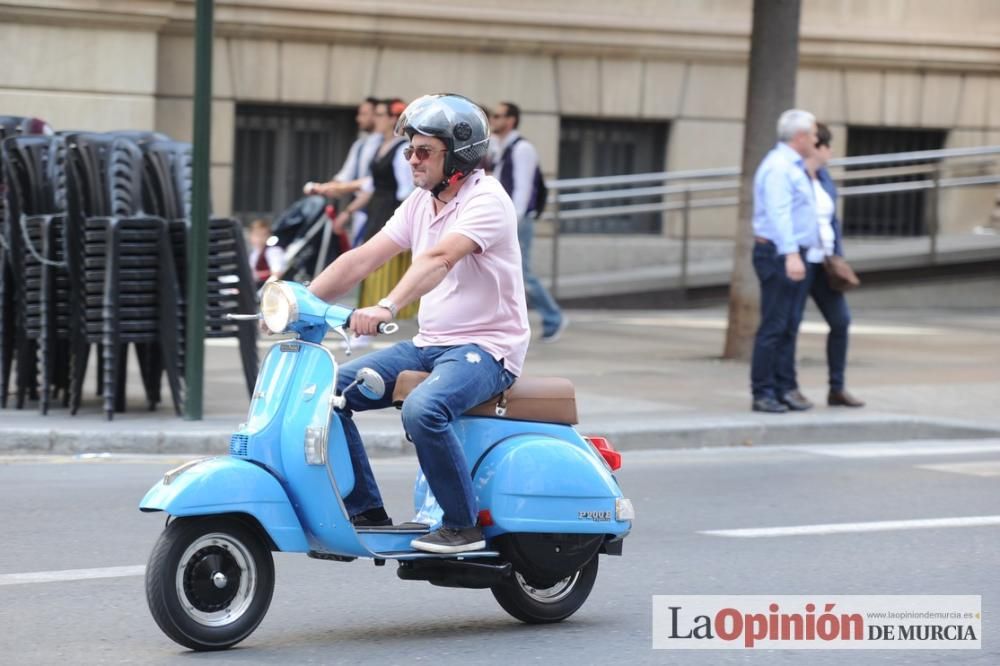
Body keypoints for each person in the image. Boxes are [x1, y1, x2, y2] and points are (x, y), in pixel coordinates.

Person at [306, 93, 529, 554]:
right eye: (409, 150)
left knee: (424, 410)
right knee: (324, 394)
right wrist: (299, 303)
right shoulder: (420, 203)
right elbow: (363, 258)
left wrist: (387, 306)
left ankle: (462, 525)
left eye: (424, 150)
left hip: (487, 350)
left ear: (459, 154)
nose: (411, 159)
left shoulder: (487, 200)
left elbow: (440, 258)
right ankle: (366, 509)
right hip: (430, 344)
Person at [321, 99, 418, 323]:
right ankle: (368, 315)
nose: (377, 119)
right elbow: (371, 186)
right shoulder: (378, 147)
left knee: (382, 265)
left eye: (382, 115)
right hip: (376, 209)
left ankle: (381, 315)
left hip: (391, 210)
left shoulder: (401, 149)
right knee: (368, 263)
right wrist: (349, 211)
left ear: (395, 119)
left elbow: (406, 190)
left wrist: (408, 221)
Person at [749, 109, 819, 414]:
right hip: (779, 253)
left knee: (789, 325)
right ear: (800, 136)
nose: (816, 140)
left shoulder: (793, 166)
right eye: (814, 134)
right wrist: (791, 253)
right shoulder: (779, 167)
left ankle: (784, 387)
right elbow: (779, 213)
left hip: (791, 253)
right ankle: (764, 391)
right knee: (774, 326)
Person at [794, 123, 865, 408]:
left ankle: (837, 387)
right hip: (798, 260)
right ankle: (789, 386)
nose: (832, 151)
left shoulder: (824, 178)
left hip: (824, 264)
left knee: (841, 321)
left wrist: (837, 255)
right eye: (828, 145)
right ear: (816, 147)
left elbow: (832, 220)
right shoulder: (794, 176)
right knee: (790, 324)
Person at [489, 102, 566, 343]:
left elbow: (522, 189)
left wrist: (512, 221)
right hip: (505, 218)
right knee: (502, 273)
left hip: (517, 220)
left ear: (511, 120)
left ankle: (553, 317)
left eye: (498, 116)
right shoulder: (500, 146)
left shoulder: (522, 149)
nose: (493, 120)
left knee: (523, 274)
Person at [304, 97, 382, 245]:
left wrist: (347, 211)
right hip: (361, 214)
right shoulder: (360, 145)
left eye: (364, 114)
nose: (358, 119)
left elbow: (373, 185)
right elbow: (344, 178)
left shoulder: (391, 147)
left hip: (381, 214)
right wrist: (325, 188)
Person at [247, 219, 285, 286]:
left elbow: (276, 274)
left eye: (264, 235)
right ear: (251, 236)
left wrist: (264, 289)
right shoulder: (254, 252)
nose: (260, 238)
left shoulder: (274, 251)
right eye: (257, 235)